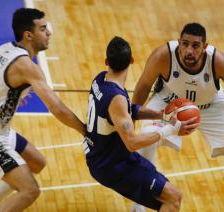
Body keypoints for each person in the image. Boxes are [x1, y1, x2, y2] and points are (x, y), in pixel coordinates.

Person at [0, 8, 85, 211]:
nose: (49, 32)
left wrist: (3, 93)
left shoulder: (1, 50)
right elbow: (56, 108)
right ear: (28, 35)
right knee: (30, 190)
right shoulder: (26, 67)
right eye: (43, 28)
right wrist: (85, 131)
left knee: (36, 162)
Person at [131, 22, 224, 212]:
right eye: (185, 44)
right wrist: (130, 121)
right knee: (146, 139)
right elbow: (142, 87)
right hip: (170, 101)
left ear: (205, 47)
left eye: (195, 45)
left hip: (211, 105)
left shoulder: (217, 60)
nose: (189, 50)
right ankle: (138, 205)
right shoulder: (162, 56)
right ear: (179, 42)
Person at [84, 36, 199, 211]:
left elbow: (130, 110)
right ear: (132, 60)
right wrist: (170, 129)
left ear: (106, 61)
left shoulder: (100, 80)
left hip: (102, 157)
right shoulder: (117, 98)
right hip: (114, 165)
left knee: (164, 201)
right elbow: (132, 143)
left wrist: (162, 115)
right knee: (173, 198)